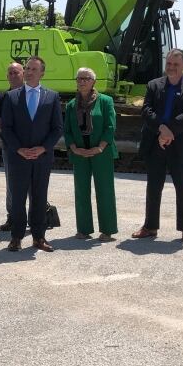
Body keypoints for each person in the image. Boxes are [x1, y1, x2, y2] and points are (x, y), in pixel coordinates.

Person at [132, 48, 183, 245]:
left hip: (182, 145)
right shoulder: (154, 85)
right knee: (153, 188)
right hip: (156, 144)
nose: (171, 68)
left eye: (176, 64)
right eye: (169, 64)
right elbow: (146, 110)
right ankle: (150, 226)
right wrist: (162, 129)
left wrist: (170, 131)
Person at [1, 56, 63, 252]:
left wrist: (43, 148)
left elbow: (57, 128)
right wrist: (19, 149)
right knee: (18, 199)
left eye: (33, 69)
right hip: (18, 157)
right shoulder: (12, 97)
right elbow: (7, 128)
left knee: (39, 197)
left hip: (42, 158)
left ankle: (39, 237)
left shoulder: (52, 97)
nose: (28, 72)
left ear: (42, 72)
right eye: (27, 68)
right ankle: (16, 237)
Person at [64, 67, 118, 242]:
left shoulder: (106, 101)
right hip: (79, 152)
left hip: (101, 152)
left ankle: (107, 230)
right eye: (79, 78)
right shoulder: (71, 105)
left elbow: (110, 127)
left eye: (86, 78)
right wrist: (74, 148)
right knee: (81, 191)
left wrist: (100, 147)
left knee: (105, 190)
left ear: (94, 81)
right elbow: (67, 130)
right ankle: (84, 229)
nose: (82, 81)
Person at [0, 62, 25, 231]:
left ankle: (35, 217)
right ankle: (12, 217)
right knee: (11, 184)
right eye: (10, 73)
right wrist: (13, 140)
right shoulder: (1, 97)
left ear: (23, 74)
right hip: (10, 147)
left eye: (16, 72)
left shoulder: (31, 94)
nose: (13, 75)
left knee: (33, 185)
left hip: (32, 147)